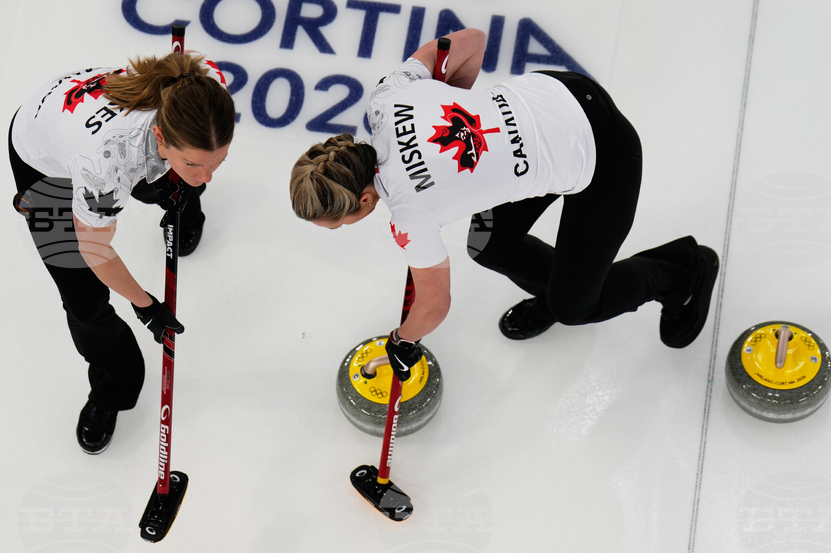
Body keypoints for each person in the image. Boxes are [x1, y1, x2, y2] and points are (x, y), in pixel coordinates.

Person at [290, 28, 718, 380]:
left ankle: (683, 271)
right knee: (490, 246)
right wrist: (451, 101)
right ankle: (557, 292)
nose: (343, 227)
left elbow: (434, 306)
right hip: (561, 90)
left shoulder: (409, 217)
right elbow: (473, 40)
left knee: (575, 308)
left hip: (603, 153)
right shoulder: (386, 98)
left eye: (340, 223)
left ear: (364, 199)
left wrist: (403, 340)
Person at [8, 51, 234, 454]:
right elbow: (95, 249)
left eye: (217, 163)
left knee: (172, 182)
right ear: (161, 137)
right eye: (194, 165)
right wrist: (146, 304)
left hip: (101, 131)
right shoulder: (106, 167)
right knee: (83, 299)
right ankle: (111, 388)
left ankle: (180, 202)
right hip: (46, 165)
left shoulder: (205, 95)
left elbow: (191, 152)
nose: (207, 177)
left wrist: (186, 178)